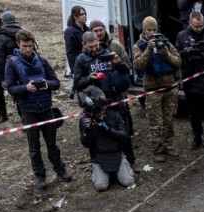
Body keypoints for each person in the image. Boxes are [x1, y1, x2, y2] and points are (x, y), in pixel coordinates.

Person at [5, 29, 72, 190]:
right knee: (34, 146)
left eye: (30, 46)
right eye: (24, 46)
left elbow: (56, 82)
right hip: (28, 110)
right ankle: (40, 175)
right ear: (18, 45)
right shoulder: (12, 63)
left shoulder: (41, 61)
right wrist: (25, 88)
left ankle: (60, 170)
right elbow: (10, 88)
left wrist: (47, 84)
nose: (28, 49)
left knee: (52, 143)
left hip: (46, 107)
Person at [73, 32, 135, 167]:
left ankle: (130, 161)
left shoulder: (108, 53)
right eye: (90, 47)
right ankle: (98, 165)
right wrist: (89, 78)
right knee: (97, 133)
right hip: (96, 103)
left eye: (96, 45)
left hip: (115, 98)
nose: (94, 49)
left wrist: (118, 63)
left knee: (123, 131)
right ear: (83, 45)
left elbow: (126, 71)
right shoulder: (81, 60)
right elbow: (77, 83)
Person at [134, 16, 181, 163]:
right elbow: (138, 65)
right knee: (155, 122)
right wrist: (149, 49)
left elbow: (178, 62)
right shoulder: (139, 45)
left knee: (169, 119)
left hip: (170, 86)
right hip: (153, 88)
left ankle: (169, 146)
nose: (152, 33)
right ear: (144, 30)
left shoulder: (166, 43)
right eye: (149, 30)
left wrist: (165, 53)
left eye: (154, 29)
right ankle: (157, 150)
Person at [177, 13, 204, 152]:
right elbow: (176, 55)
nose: (199, 29)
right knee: (193, 113)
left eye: (201, 26)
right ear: (190, 22)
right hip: (189, 78)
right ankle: (197, 138)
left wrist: (202, 54)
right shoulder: (182, 36)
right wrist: (186, 52)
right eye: (196, 26)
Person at [79, 86, 135, 191]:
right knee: (101, 186)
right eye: (101, 102)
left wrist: (108, 129)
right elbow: (86, 144)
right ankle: (100, 172)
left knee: (129, 181)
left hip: (116, 154)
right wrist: (88, 130)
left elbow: (124, 136)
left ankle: (118, 170)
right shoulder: (85, 120)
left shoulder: (114, 115)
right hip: (99, 157)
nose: (103, 106)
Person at [0, 11, 23, 94]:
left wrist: (2, 79)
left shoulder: (2, 37)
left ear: (3, 21)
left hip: (9, 71)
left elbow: (0, 60)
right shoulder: (24, 33)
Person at [63, 5, 89, 78]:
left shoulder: (88, 29)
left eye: (85, 14)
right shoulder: (69, 31)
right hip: (79, 63)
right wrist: (74, 70)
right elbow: (70, 52)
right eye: (81, 14)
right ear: (75, 16)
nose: (84, 16)